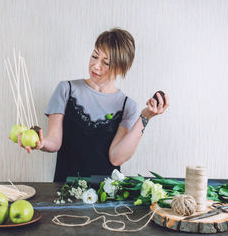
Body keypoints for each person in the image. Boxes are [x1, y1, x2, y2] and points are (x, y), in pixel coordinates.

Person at [18, 28, 169, 182]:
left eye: (106, 63)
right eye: (94, 56)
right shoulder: (66, 89)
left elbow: (116, 158)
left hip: (106, 195)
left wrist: (145, 117)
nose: (96, 66)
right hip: (65, 190)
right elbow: (54, 142)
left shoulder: (127, 106)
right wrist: (41, 143)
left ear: (121, 68)